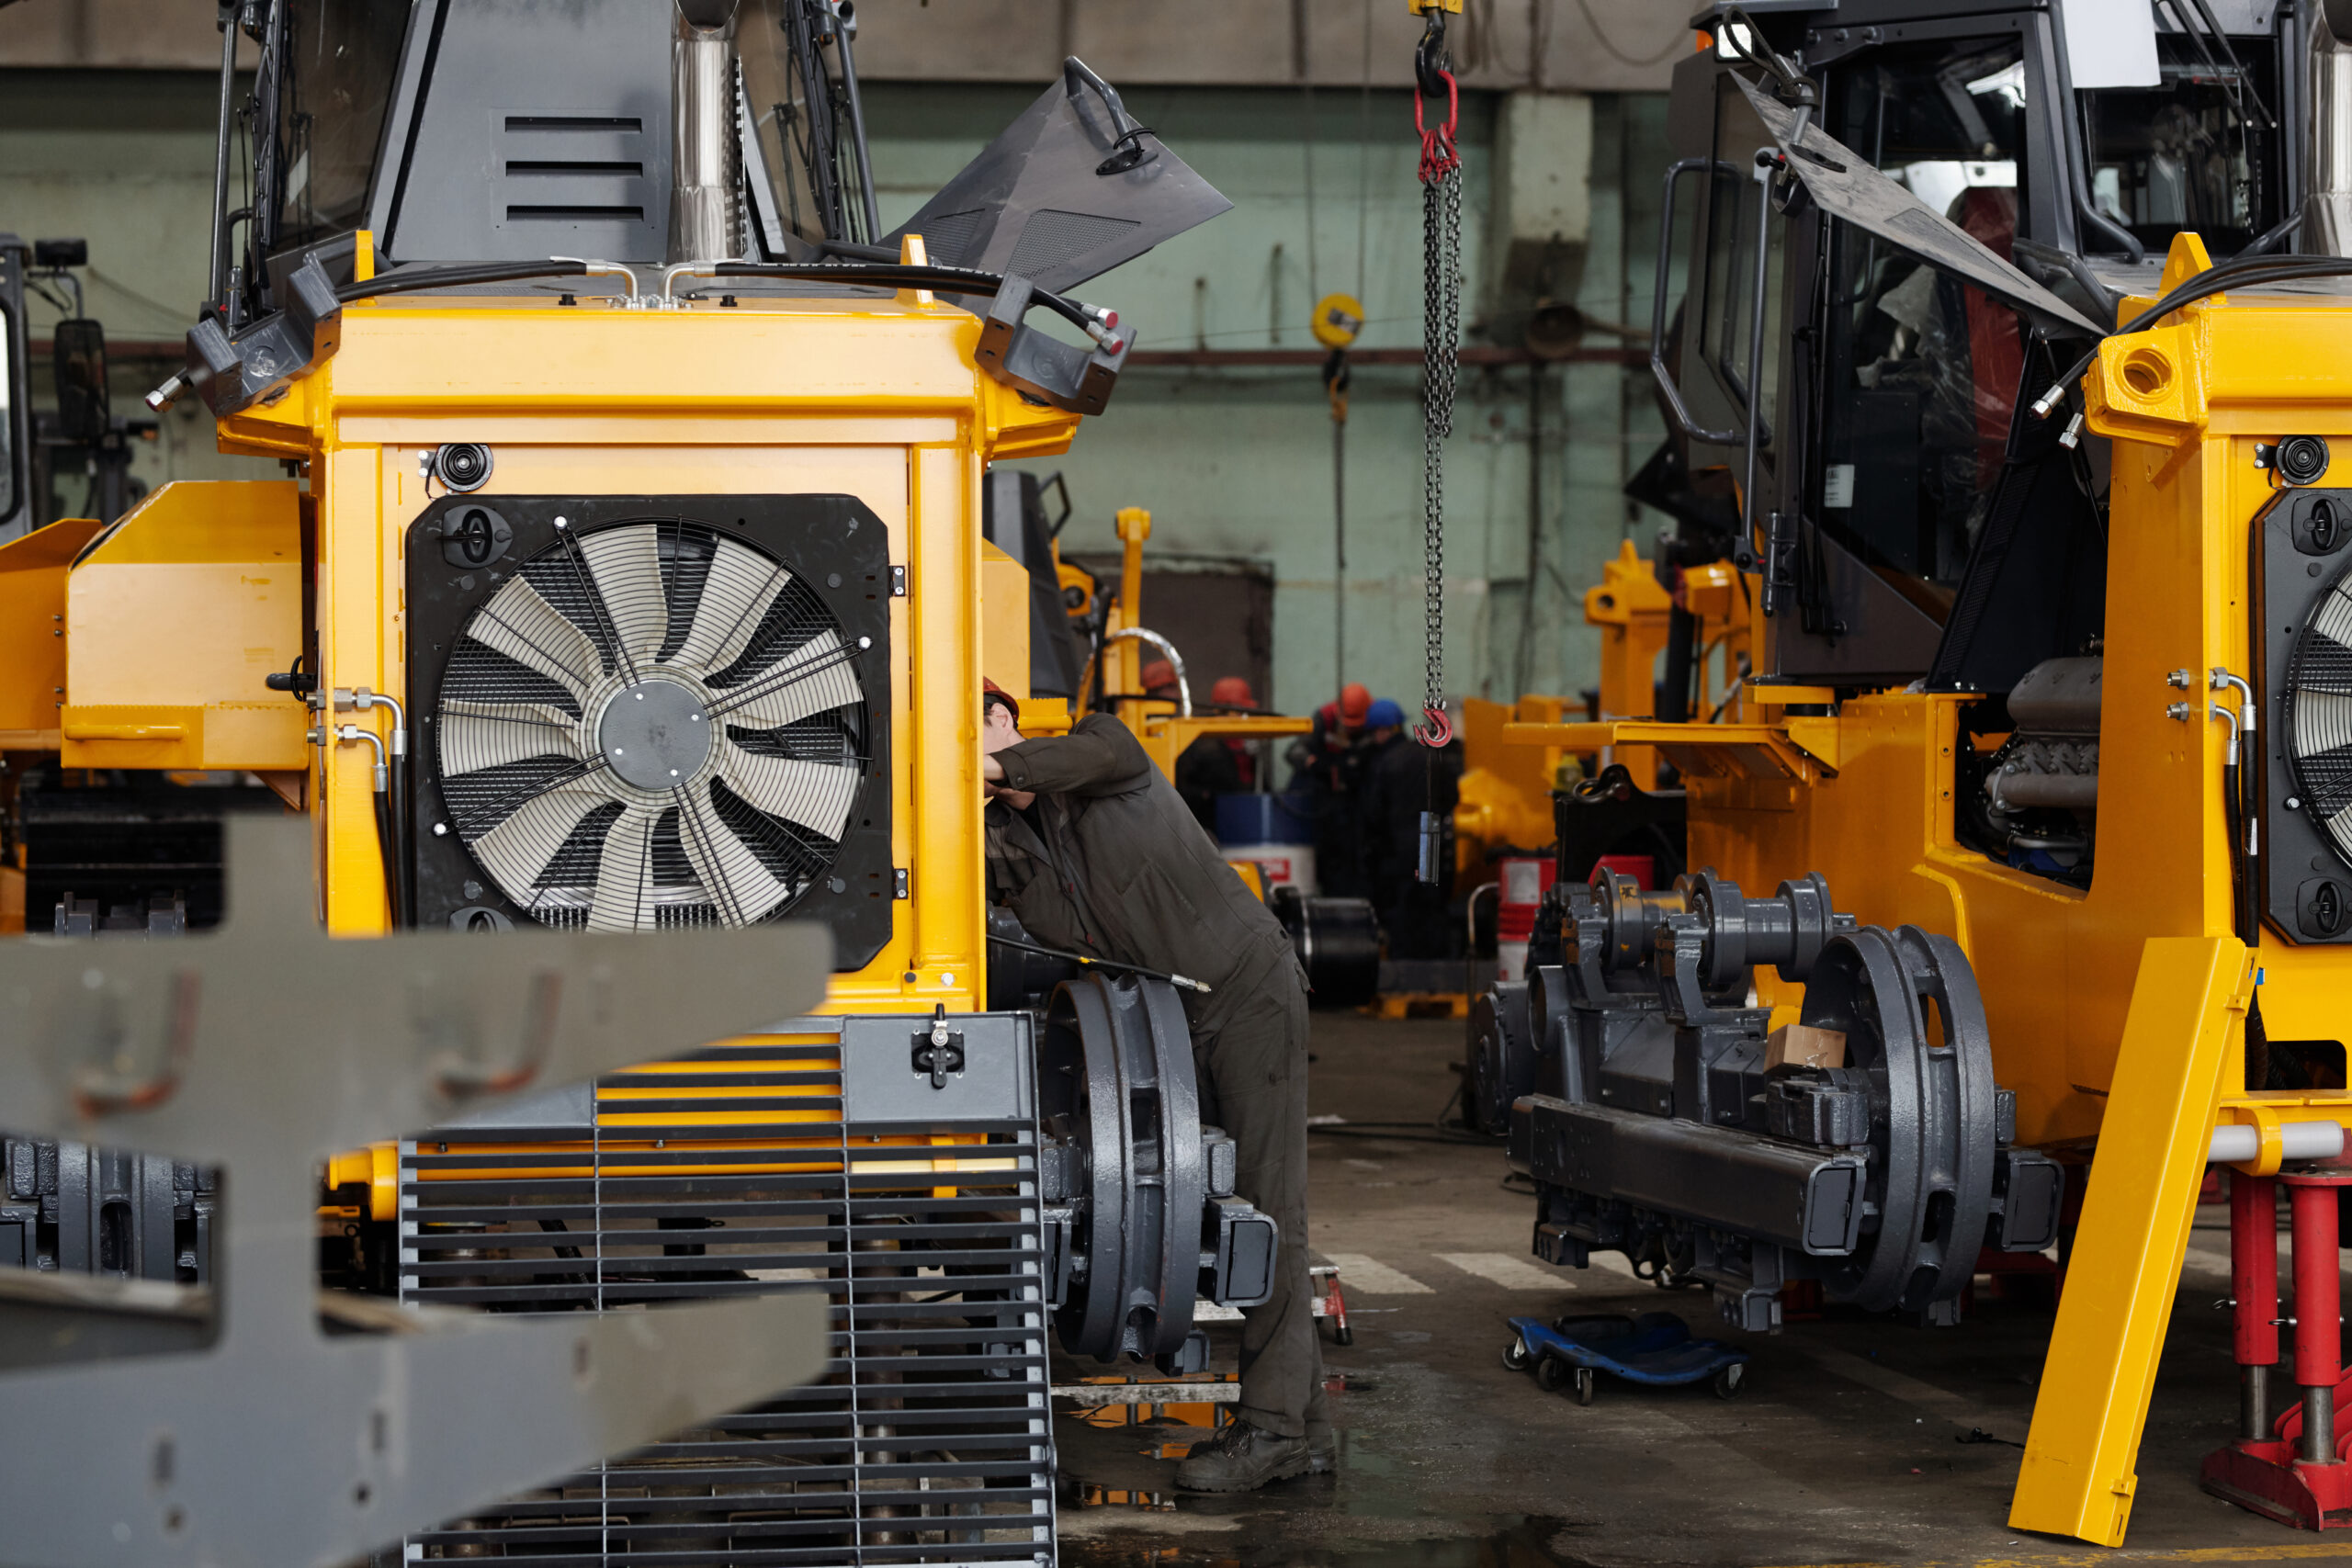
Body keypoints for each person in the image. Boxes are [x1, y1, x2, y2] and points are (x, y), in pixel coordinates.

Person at [978, 682, 1331, 1491]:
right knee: (1239, 1207)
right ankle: (1304, 1423)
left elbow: (1076, 757)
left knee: (1270, 1208)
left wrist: (978, 764)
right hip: (1174, 1023)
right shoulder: (1006, 844)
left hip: (1247, 991)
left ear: (1002, 719)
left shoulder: (1105, 752)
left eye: (968, 722)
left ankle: (1274, 1429)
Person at [1358, 697, 1462, 960]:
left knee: (1404, 908)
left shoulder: (1386, 763)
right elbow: (1453, 797)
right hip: (1433, 840)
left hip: (1400, 848)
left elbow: (1374, 813)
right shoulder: (1431, 754)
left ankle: (1405, 967)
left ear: (1381, 731)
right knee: (1434, 905)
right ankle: (1440, 964)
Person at [1285, 682, 1372, 897]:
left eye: (1355, 724)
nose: (1350, 728)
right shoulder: (1323, 719)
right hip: (1320, 801)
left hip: (1353, 803)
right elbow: (1294, 751)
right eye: (1347, 723)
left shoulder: (1374, 721)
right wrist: (1315, 765)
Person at [1173, 675, 1260, 832]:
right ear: (1224, 710)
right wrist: (1206, 795)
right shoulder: (1202, 744)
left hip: (1241, 820)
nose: (1244, 717)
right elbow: (1185, 788)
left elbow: (1255, 784)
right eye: (1240, 711)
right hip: (1207, 824)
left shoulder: (1245, 745)